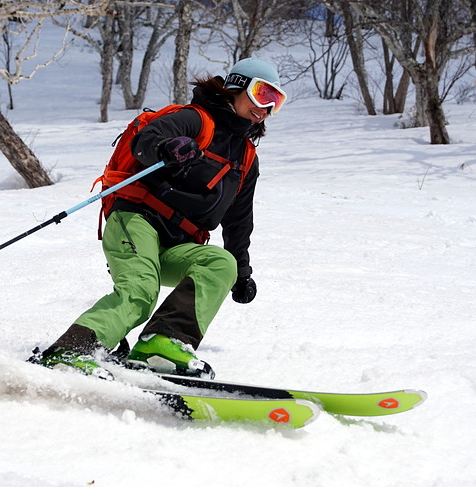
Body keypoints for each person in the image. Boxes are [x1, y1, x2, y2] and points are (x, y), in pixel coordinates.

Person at [31, 58, 288, 379]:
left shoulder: (247, 158)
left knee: (221, 264)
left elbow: (239, 220)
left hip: (178, 242)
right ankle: (69, 351)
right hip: (136, 220)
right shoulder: (194, 120)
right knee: (141, 293)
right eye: (263, 94)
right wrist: (169, 147)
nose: (266, 108)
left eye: (276, 102)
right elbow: (146, 141)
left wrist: (242, 271)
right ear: (236, 86)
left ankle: (161, 344)